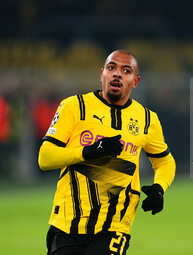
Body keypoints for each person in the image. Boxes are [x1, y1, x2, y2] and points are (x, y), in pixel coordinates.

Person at [38, 49, 176, 255]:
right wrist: (89, 152)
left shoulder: (147, 119)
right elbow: (45, 157)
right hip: (67, 223)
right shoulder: (74, 107)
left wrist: (159, 188)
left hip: (115, 225)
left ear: (135, 81)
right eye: (111, 68)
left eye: (126, 70)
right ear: (102, 74)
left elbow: (164, 162)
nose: (117, 74)